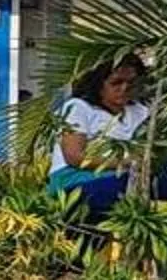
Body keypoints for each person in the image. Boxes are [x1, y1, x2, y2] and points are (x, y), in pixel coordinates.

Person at [49, 56, 152, 217]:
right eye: (116, 83)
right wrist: (125, 164)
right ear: (99, 84)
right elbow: (74, 157)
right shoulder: (79, 107)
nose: (124, 88)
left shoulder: (140, 111)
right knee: (131, 187)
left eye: (131, 83)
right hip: (75, 182)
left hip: (129, 179)